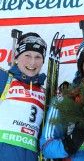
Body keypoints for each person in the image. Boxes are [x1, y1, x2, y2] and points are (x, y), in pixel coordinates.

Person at [0, 32, 47, 161]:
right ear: (16, 57)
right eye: (27, 55)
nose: (32, 62)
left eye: (38, 57)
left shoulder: (45, 93)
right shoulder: (4, 79)